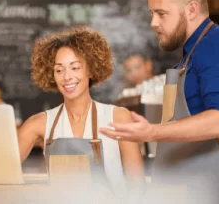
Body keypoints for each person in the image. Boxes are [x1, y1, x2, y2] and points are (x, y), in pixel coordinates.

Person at [99, 0, 219, 204]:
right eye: (152, 13)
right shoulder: (189, 57)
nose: (153, 22)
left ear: (192, 9)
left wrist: (151, 132)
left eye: (161, 14)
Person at [17, 26, 145, 203]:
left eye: (75, 68)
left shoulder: (119, 118)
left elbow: (136, 186)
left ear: (90, 70)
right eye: (59, 70)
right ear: (52, 75)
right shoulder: (37, 124)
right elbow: (2, 174)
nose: (67, 77)